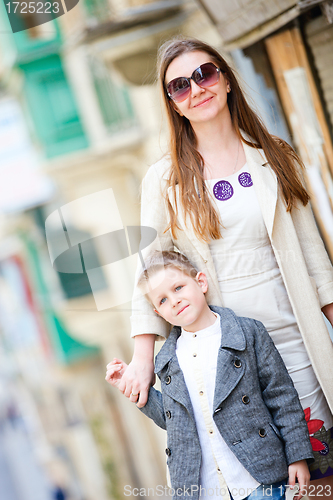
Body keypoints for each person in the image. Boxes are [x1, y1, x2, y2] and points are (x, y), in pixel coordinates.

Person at [118, 37, 333, 487]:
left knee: (323, 476)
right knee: (274, 482)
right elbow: (151, 272)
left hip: (298, 342)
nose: (196, 89)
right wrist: (142, 358)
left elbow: (315, 261)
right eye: (179, 86)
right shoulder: (164, 180)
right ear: (173, 104)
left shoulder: (274, 155)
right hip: (230, 362)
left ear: (227, 79)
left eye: (205, 74)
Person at [106, 251, 313, 500]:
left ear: (201, 282)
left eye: (179, 287)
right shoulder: (167, 360)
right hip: (205, 488)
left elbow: (283, 398)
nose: (174, 300)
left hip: (260, 477)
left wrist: (298, 456)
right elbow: (174, 422)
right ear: (157, 313)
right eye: (162, 300)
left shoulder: (247, 333)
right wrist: (130, 387)